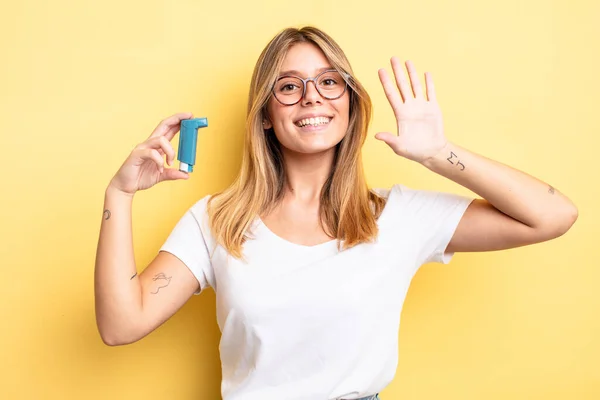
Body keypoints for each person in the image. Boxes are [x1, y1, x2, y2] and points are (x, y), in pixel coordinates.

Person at [94, 26, 578, 400]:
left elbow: (552, 215)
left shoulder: (399, 216)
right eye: (289, 86)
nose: (312, 97)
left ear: (348, 101)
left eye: (328, 81)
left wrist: (438, 153)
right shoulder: (219, 220)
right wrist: (120, 194)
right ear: (265, 113)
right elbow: (121, 324)